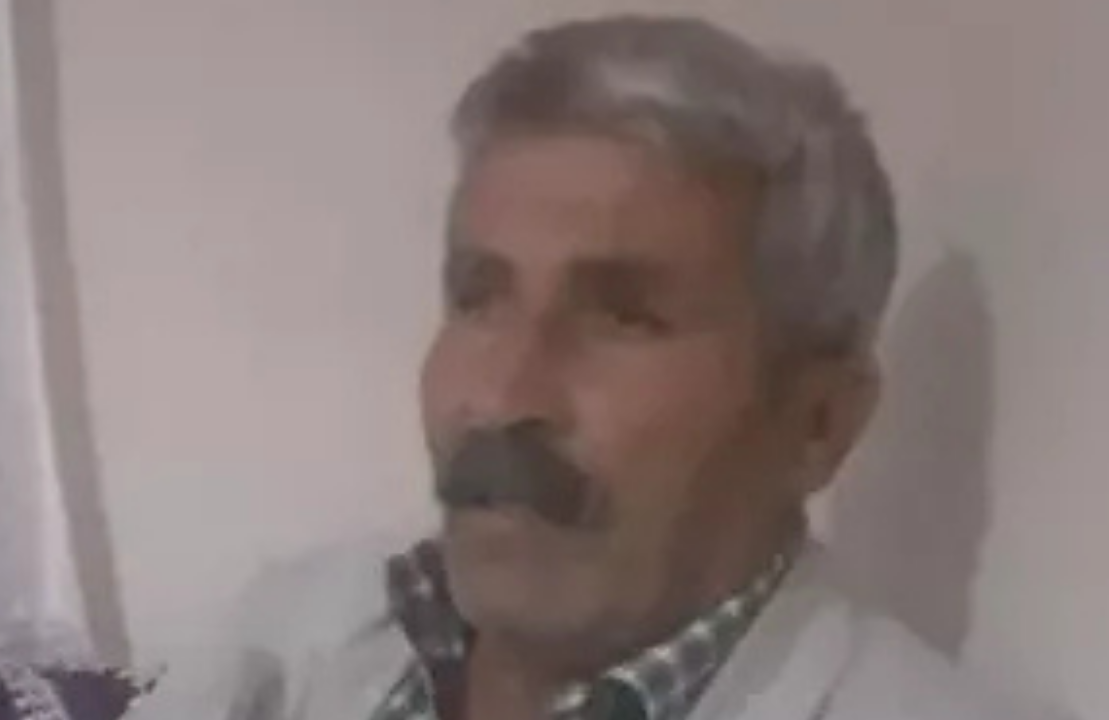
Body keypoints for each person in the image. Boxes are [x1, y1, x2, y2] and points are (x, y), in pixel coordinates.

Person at [131, 14, 1061, 720]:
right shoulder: (285, 639)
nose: (498, 397)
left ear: (818, 423)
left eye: (624, 318)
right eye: (477, 297)